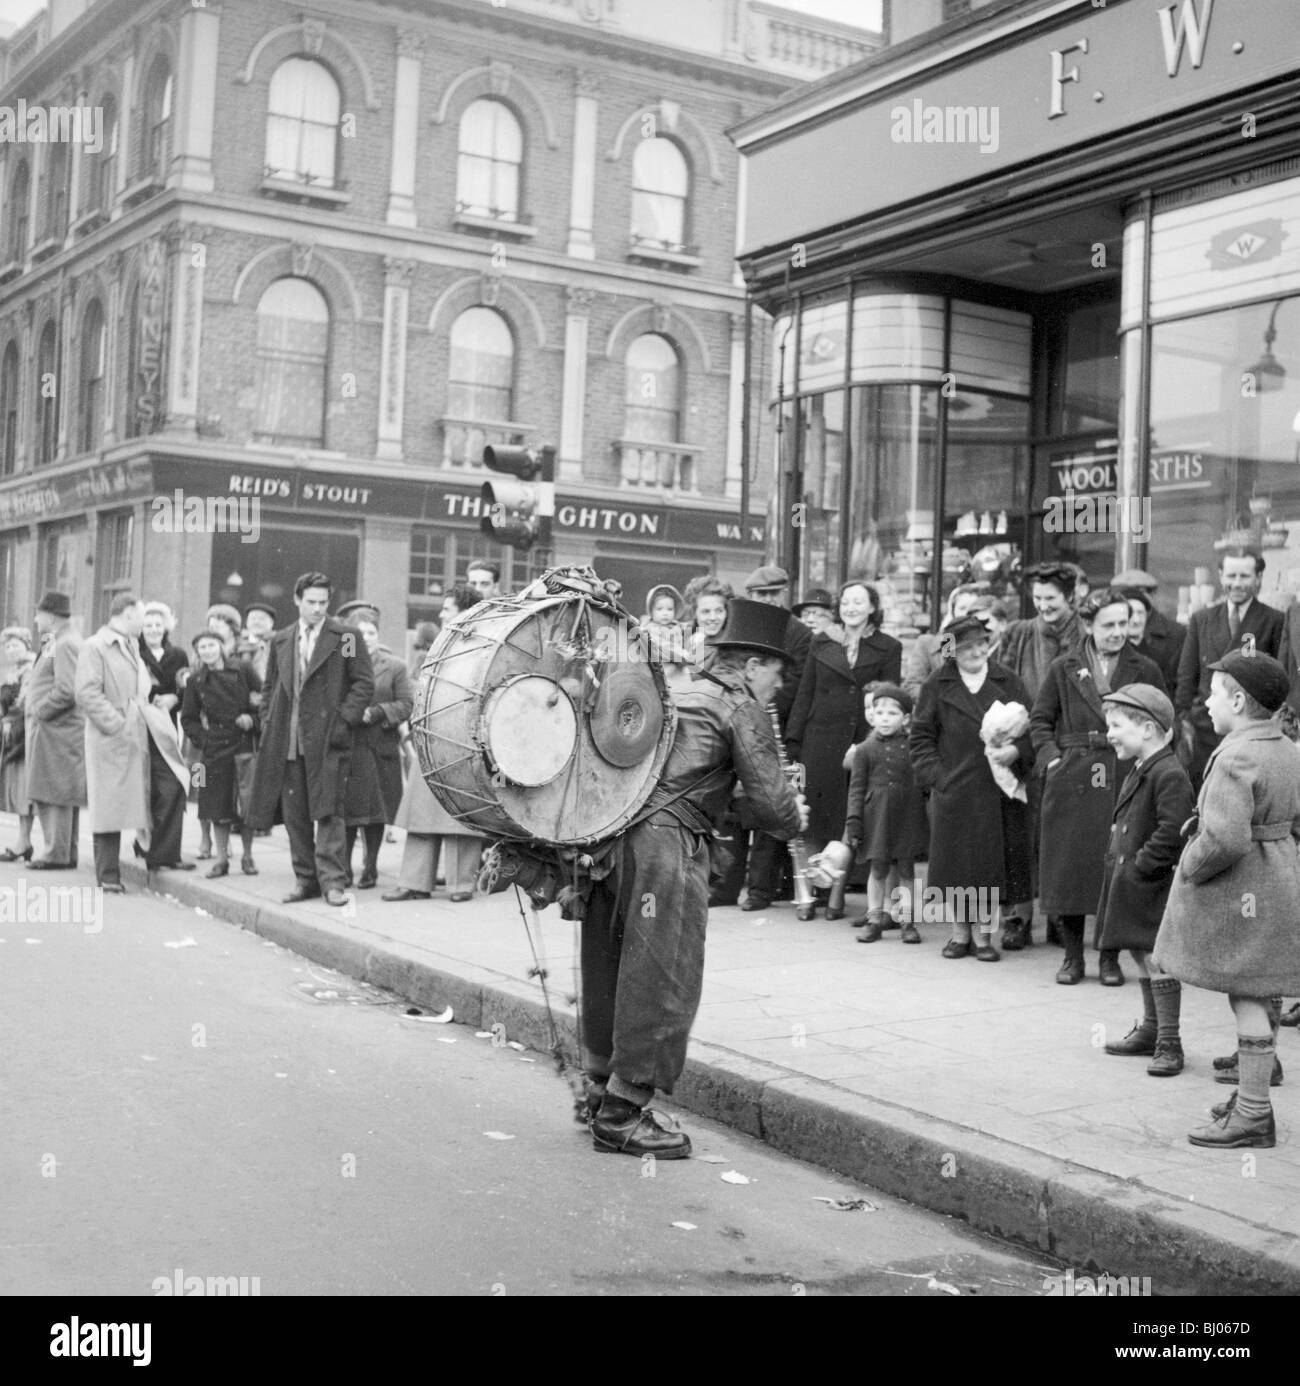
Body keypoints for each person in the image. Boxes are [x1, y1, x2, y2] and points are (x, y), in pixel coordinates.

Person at [581, 598, 807, 1158]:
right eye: (778, 671)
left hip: (613, 838)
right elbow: (775, 806)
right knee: (664, 971)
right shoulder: (738, 705)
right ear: (753, 665)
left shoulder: (676, 688)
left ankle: (597, 1090)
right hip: (666, 848)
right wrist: (798, 814)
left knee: (609, 961)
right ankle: (623, 1113)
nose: (780, 684)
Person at [1154, 652, 1300, 1148]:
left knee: (1248, 994)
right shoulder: (1286, 746)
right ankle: (1250, 1101)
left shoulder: (1237, 754)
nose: (1206, 702)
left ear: (1238, 700)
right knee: (1264, 987)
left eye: (1214, 693)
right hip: (1279, 875)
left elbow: (1225, 839)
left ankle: (1254, 1113)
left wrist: (1190, 865)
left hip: (1247, 886)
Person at [1029, 587, 1165, 977]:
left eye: (1124, 623)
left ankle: (1109, 957)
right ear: (1088, 625)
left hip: (1126, 776)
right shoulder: (1063, 666)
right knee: (1070, 867)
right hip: (1073, 775)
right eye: (1109, 624)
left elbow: (1160, 724)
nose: (1118, 631)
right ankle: (1072, 956)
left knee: (1116, 866)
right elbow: (1040, 721)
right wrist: (1051, 760)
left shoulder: (1146, 669)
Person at [245, 571, 375, 907]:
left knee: (330, 812)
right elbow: (270, 686)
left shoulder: (345, 636)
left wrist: (344, 721)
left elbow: (362, 683)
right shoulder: (282, 640)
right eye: (312, 602)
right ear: (297, 601)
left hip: (328, 740)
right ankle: (306, 881)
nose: (318, 609)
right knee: (295, 817)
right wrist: (268, 719)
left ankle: (333, 883)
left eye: (323, 602)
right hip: (287, 741)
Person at [910, 616, 1034, 962]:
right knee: (955, 867)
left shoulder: (1007, 680)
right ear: (952, 650)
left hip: (997, 790)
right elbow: (920, 736)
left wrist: (1016, 753)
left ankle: (983, 938)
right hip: (954, 788)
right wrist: (938, 777)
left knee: (988, 867)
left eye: (981, 644)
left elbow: (1032, 730)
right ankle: (958, 935)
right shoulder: (937, 683)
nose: (976, 651)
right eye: (965, 646)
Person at [1093, 684, 1196, 1077]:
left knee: (1157, 959)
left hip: (1151, 885)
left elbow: (1174, 831)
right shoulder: (1144, 767)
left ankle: (1170, 1042)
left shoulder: (1168, 773)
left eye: (1117, 726)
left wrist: (1138, 866)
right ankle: (1152, 1030)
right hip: (1135, 882)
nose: (1110, 734)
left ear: (1149, 729)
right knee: (1140, 953)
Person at [786, 580, 901, 920]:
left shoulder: (888, 646)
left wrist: (871, 744)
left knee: (843, 819)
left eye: (858, 602)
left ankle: (835, 896)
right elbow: (805, 692)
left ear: (871, 607)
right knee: (810, 819)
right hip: (818, 740)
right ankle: (806, 895)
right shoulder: (821, 641)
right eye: (846, 602)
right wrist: (794, 740)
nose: (851, 608)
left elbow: (887, 698)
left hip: (858, 744)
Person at [76, 594, 193, 890]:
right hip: (113, 735)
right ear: (128, 614)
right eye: (142, 616)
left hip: (143, 728)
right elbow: (87, 694)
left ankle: (161, 854)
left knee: (174, 781)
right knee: (110, 804)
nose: (146, 624)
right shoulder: (95, 646)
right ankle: (108, 875)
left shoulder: (130, 644)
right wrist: (117, 725)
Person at [385, 585, 486, 903]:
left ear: (464, 611)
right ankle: (414, 881)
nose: (441, 613)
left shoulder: (482, 644)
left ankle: (461, 884)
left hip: (463, 735)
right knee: (422, 811)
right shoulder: (442, 642)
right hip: (431, 732)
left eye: (447, 607)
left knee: (462, 813)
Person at [1175, 548, 1282, 794]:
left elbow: (1278, 677)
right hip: (1205, 727)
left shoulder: (1274, 620)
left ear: (1258, 579)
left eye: (1244, 576)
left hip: (1250, 729)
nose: (1236, 584)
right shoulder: (1202, 619)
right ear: (1221, 576)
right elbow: (1186, 675)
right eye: (1231, 576)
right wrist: (1184, 719)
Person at [736, 565, 811, 912]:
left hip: (776, 722)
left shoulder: (798, 632)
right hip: (739, 718)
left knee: (771, 798)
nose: (767, 600)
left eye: (772, 594)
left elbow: (796, 682)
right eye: (760, 594)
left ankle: (760, 890)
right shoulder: (741, 622)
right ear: (751, 595)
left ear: (783, 594)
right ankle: (729, 883)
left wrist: (764, 709)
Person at [844, 684, 927, 943]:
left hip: (907, 816)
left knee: (906, 870)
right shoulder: (865, 750)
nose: (884, 719)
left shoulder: (913, 747)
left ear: (905, 719)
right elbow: (856, 789)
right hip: (876, 818)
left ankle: (907, 922)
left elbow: (924, 781)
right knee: (878, 869)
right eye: (879, 713)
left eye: (891, 714)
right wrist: (854, 820)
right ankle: (874, 919)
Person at [180, 630, 262, 878]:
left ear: (221, 646)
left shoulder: (244, 670)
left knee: (246, 804)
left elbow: (264, 701)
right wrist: (204, 740)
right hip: (214, 750)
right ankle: (222, 859)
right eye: (202, 647)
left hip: (243, 745)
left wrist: (253, 720)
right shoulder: (195, 681)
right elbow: (189, 719)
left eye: (211, 645)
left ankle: (247, 856)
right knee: (216, 806)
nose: (207, 651)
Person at [341, 611, 413, 889]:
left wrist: (379, 712)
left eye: (371, 632)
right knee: (348, 811)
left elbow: (407, 704)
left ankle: (370, 866)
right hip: (351, 746)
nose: (367, 638)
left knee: (376, 812)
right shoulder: (343, 665)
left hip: (380, 748)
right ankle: (344, 867)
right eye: (361, 633)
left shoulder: (394, 666)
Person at [25, 592, 86, 871]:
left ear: (50, 615)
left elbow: (67, 690)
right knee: (54, 791)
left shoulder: (65, 644)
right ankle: (63, 852)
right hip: (53, 730)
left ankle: (55, 853)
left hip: (57, 730)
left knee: (56, 793)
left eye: (38, 614)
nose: (36, 620)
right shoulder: (60, 641)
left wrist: (40, 710)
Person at [902, 583, 989, 698]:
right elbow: (912, 686)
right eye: (962, 608)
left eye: (973, 608)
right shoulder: (935, 643)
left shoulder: (990, 643)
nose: (967, 613)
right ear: (953, 612)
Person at [1113, 568, 1186, 694]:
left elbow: (1183, 682)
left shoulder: (1175, 634)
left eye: (1138, 593)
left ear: (1151, 596)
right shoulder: (1111, 631)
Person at [0, 627, 36, 861]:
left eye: (15, 644)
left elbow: (25, 701)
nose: (11, 649)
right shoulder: (7, 671)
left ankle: (24, 841)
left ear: (26, 645)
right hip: (9, 736)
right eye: (7, 646)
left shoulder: (30, 668)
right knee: (13, 788)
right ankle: (23, 841)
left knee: (24, 789)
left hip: (23, 737)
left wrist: (9, 719)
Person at [140, 601, 188, 727]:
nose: (154, 630)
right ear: (141, 629)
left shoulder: (179, 655)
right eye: (148, 626)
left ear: (165, 627)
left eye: (158, 625)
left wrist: (175, 699)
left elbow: (187, 689)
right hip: (140, 721)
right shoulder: (134, 655)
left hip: (167, 721)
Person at [642, 583, 692, 691]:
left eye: (669, 609)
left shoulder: (677, 626)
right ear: (651, 611)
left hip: (679, 668)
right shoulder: (650, 629)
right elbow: (663, 645)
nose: (665, 613)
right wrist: (683, 654)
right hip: (661, 669)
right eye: (659, 609)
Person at [238, 602, 278, 684]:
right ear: (246, 623)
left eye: (261, 619)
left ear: (271, 623)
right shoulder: (237, 644)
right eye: (253, 619)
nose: (257, 622)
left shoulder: (279, 644)